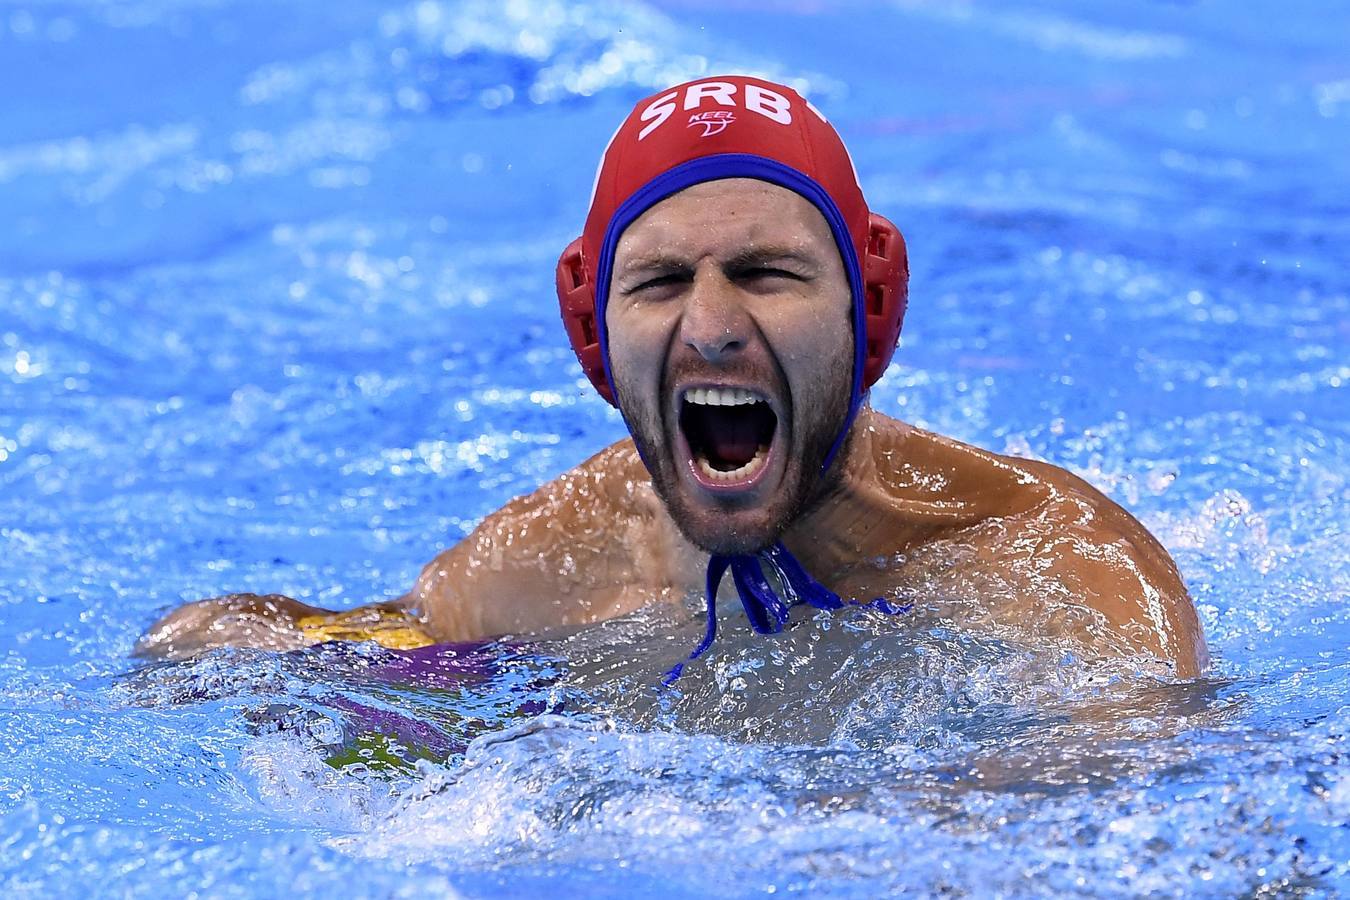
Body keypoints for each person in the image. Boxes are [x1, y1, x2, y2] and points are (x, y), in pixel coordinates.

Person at [137, 75, 1208, 679]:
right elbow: (363, 646)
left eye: (765, 273)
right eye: (656, 282)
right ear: (593, 336)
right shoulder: (542, 563)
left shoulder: (1060, 576)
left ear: (868, 311)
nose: (711, 326)